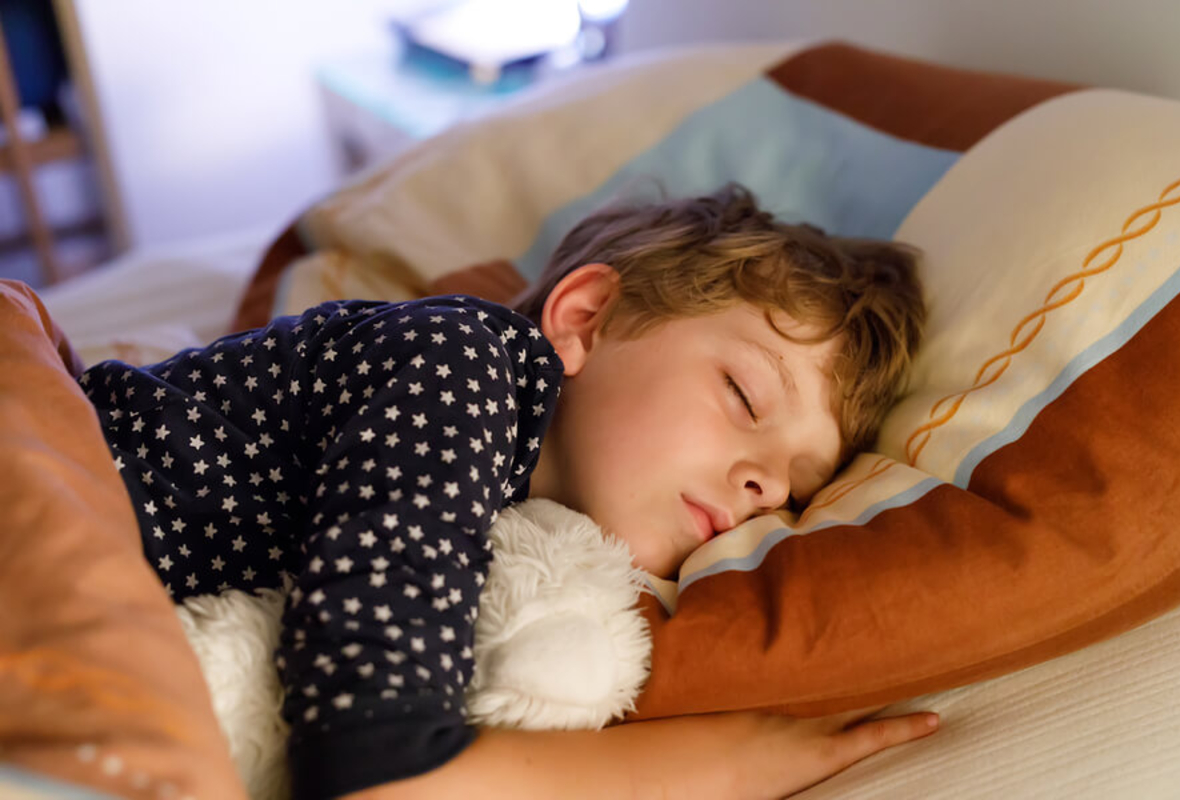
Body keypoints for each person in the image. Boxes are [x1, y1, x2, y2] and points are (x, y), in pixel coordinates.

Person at [80, 183, 936, 800]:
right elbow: (374, 763)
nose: (764, 484)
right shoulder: (461, 364)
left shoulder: (523, 521)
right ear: (586, 318)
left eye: (795, 490)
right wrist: (725, 763)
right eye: (745, 397)